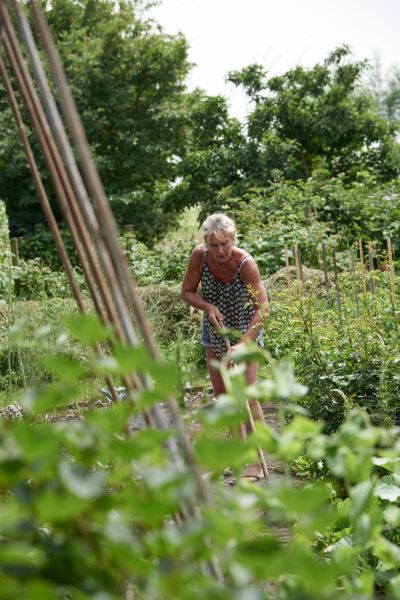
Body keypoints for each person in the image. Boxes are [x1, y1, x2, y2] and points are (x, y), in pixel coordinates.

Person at [181, 213, 269, 481]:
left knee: (246, 396)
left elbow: (263, 308)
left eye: (224, 243)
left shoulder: (245, 263)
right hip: (214, 333)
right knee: (224, 398)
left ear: (233, 239)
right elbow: (187, 291)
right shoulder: (199, 257)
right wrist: (207, 306)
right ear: (205, 243)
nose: (219, 251)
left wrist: (242, 344)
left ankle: (256, 462)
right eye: (213, 244)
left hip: (246, 332)